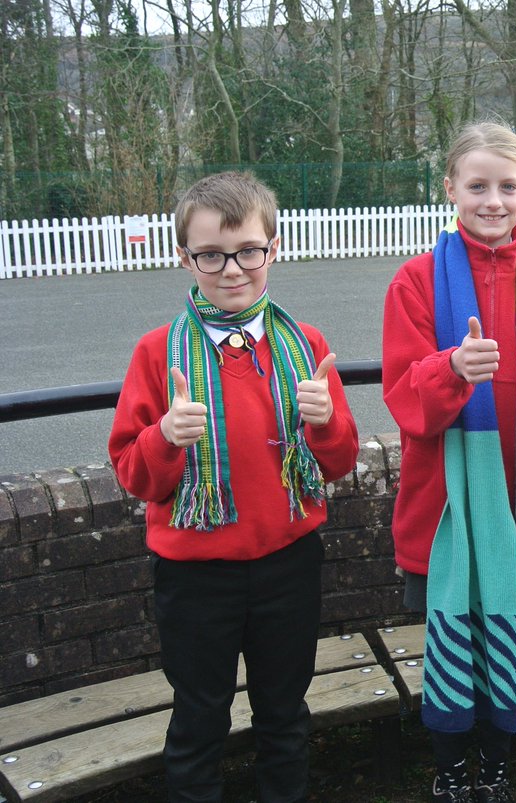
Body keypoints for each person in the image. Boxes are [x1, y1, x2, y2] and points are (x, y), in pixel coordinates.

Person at [108, 171, 360, 802]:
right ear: (184, 257)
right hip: (196, 576)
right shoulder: (157, 353)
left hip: (289, 563)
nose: (232, 269)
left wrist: (324, 424)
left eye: (248, 250)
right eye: (211, 255)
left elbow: (339, 462)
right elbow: (134, 475)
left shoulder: (306, 346)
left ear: (273, 249)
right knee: (199, 721)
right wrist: (165, 434)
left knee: (284, 716)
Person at [381, 120, 516, 803]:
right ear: (450, 188)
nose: (493, 200)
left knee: (503, 650)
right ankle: (450, 772)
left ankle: (497, 771)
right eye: (477, 185)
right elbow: (404, 401)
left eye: (508, 186)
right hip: (443, 513)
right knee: (451, 648)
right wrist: (452, 369)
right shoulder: (415, 282)